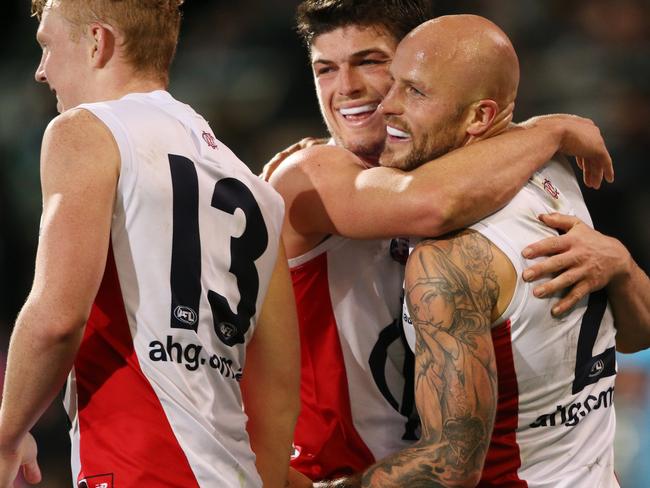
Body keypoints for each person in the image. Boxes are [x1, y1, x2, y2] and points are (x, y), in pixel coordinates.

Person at [270, 0, 617, 484]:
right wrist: (550, 129)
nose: (345, 88)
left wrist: (618, 263)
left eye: (370, 62)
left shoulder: (489, 171)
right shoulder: (312, 173)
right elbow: (431, 203)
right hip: (333, 473)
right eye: (325, 69)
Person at [0, 1, 300, 487]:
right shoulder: (258, 191)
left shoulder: (86, 130)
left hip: (140, 465)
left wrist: (8, 433)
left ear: (97, 42)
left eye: (47, 47)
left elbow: (56, 319)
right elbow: (279, 395)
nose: (40, 71)